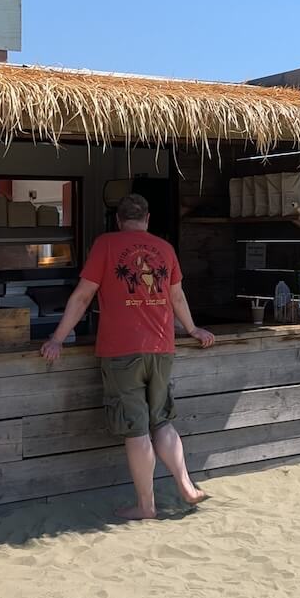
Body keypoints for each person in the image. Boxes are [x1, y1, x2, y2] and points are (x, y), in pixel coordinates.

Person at [40, 193, 215, 520]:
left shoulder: (105, 245)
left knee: (137, 430)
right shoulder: (165, 249)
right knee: (161, 421)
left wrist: (57, 338)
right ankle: (187, 486)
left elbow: (82, 297)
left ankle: (146, 506)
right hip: (162, 349)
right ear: (147, 219)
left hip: (122, 351)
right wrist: (192, 330)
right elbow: (176, 296)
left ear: (118, 220)